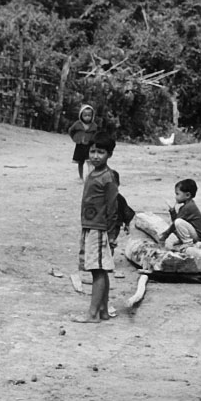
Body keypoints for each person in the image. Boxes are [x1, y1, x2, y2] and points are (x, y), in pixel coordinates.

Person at [74, 133, 120, 323]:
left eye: (100, 152)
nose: (95, 156)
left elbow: (113, 207)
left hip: (100, 229)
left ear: (109, 154)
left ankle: (92, 314)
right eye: (92, 151)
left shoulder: (108, 177)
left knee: (97, 271)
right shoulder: (92, 173)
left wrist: (111, 234)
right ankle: (103, 311)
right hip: (90, 226)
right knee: (99, 270)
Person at [158, 179, 201, 248]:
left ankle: (188, 242)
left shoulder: (188, 207)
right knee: (178, 223)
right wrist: (172, 210)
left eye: (177, 194)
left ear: (187, 195)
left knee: (178, 222)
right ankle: (184, 240)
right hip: (193, 233)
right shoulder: (186, 206)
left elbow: (175, 223)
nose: (175, 197)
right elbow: (175, 223)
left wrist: (165, 235)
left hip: (197, 236)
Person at [68, 105, 98, 180]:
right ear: (81, 115)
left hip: (90, 146)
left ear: (92, 116)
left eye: (89, 115)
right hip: (80, 146)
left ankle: (90, 177)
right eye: (85, 115)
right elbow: (71, 131)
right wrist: (75, 138)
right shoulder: (77, 124)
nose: (87, 117)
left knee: (90, 162)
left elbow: (97, 134)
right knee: (80, 162)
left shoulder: (94, 125)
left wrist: (94, 142)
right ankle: (81, 177)